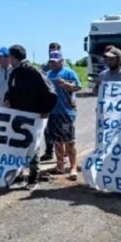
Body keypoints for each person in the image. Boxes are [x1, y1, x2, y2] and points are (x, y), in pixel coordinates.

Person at [4, 44, 54, 190]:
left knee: (33, 147)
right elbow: (11, 90)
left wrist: (45, 110)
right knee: (17, 146)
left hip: (33, 115)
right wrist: (8, 99)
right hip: (17, 115)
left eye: (9, 56)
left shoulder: (33, 71)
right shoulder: (14, 72)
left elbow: (49, 92)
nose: (8, 59)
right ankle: (18, 176)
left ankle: (33, 178)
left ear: (13, 57)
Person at [45, 51, 82, 180]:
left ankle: (73, 168)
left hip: (66, 112)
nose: (53, 64)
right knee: (57, 142)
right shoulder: (48, 75)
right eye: (51, 61)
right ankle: (59, 166)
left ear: (62, 61)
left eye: (55, 61)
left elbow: (78, 87)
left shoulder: (69, 73)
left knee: (69, 141)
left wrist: (66, 84)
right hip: (53, 112)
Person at [40, 42, 62, 161]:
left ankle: (62, 153)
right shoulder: (44, 66)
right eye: (50, 50)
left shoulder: (66, 66)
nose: (52, 52)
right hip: (49, 104)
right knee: (47, 129)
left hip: (62, 104)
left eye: (55, 50)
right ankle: (49, 151)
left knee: (60, 130)